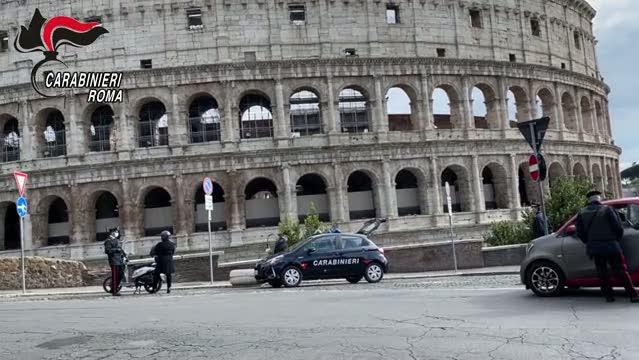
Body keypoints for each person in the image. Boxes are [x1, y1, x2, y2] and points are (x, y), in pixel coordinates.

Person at [576, 190, 638, 303]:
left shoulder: (582, 212)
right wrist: (615, 240)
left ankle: (609, 296)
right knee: (620, 270)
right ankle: (632, 295)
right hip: (611, 245)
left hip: (594, 247)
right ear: (599, 199)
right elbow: (618, 228)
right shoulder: (608, 209)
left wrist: (589, 241)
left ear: (589, 200)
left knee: (602, 272)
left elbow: (579, 232)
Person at [104, 228, 125, 296]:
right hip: (114, 261)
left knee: (121, 275)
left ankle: (114, 288)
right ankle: (114, 291)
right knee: (115, 276)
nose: (117, 233)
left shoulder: (117, 240)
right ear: (112, 233)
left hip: (120, 261)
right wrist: (116, 250)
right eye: (116, 232)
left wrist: (125, 256)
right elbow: (107, 251)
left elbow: (121, 250)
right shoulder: (108, 241)